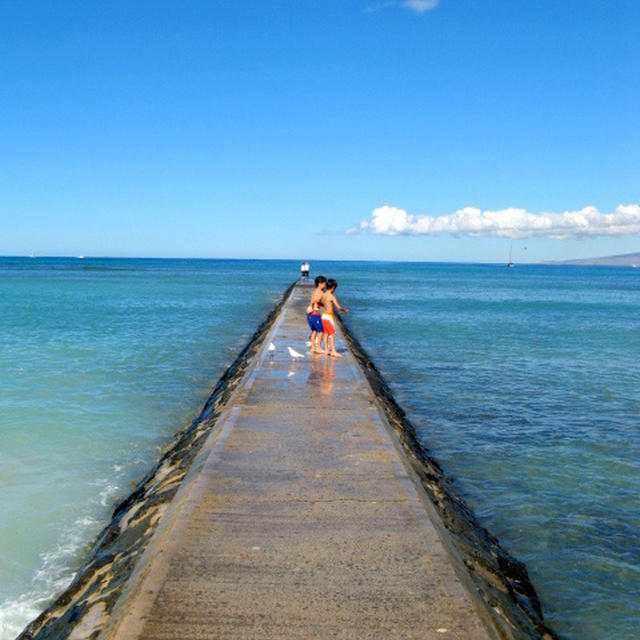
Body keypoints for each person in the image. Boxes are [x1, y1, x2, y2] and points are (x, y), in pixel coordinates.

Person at [321, 278, 348, 357]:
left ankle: (326, 350)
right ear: (333, 287)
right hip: (329, 316)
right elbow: (338, 307)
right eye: (335, 288)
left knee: (326, 333)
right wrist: (344, 310)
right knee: (332, 333)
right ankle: (333, 351)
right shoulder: (332, 296)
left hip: (324, 315)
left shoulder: (324, 294)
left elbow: (321, 303)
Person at [307, 275, 327, 353]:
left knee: (314, 331)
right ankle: (318, 347)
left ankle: (313, 347)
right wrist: (314, 305)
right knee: (321, 331)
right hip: (315, 313)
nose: (325, 286)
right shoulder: (320, 292)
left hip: (310, 314)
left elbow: (315, 301)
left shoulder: (314, 291)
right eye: (324, 284)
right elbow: (316, 300)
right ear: (319, 284)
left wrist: (322, 305)